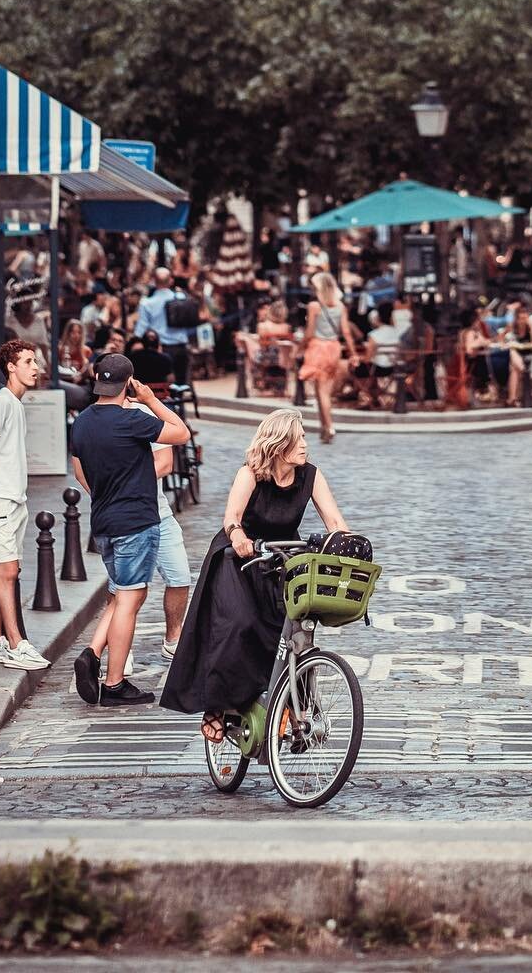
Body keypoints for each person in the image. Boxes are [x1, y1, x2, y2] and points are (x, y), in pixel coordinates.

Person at [160, 408, 352, 743]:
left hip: (283, 557)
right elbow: (232, 516)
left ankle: (290, 707)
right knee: (240, 623)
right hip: (239, 559)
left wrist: (348, 547)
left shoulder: (310, 475)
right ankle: (217, 707)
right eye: (300, 438)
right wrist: (239, 538)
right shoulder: (251, 473)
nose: (306, 444)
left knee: (294, 632)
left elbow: (335, 523)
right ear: (280, 445)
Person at [69, 352, 189, 706]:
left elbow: (80, 473)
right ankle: (115, 681)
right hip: (136, 521)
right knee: (131, 598)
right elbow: (180, 433)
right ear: (129, 383)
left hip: (104, 521)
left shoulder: (83, 422)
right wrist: (152, 400)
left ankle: (91, 653)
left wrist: (107, 492)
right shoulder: (131, 420)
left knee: (122, 593)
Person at [0, 339, 49, 670]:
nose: (36, 367)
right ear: (11, 367)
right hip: (0, 501)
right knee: (9, 572)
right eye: (29, 361)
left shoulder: (13, 404)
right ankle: (17, 645)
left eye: (36, 361)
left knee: (0, 570)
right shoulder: (1, 402)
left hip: (13, 500)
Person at [299, 270, 358, 444]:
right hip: (334, 347)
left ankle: (329, 426)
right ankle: (324, 427)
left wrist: (300, 347)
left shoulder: (314, 306)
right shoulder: (341, 307)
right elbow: (346, 332)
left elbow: (310, 331)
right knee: (324, 390)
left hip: (318, 347)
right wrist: (353, 353)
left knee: (321, 391)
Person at [135, 266, 194, 384]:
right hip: (181, 347)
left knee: (162, 385)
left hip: (160, 351)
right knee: (181, 385)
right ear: (171, 280)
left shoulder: (146, 303)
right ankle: (179, 402)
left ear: (154, 281)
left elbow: (140, 330)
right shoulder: (181, 298)